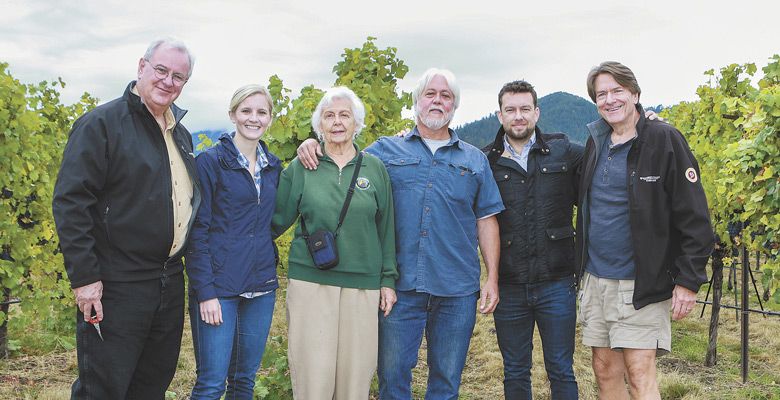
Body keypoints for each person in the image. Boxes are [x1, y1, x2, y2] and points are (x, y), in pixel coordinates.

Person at [297, 68, 504, 399]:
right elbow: (342, 157)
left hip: (457, 288)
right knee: (393, 380)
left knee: (447, 381)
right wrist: (312, 143)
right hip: (398, 287)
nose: (437, 101)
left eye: (446, 95)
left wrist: (491, 278)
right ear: (417, 101)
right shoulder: (385, 151)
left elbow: (486, 219)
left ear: (455, 105)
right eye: (430, 94)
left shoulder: (475, 160)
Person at [52, 38, 200, 399]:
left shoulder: (180, 134)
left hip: (167, 280)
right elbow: (71, 202)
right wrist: (85, 278)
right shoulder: (101, 124)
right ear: (141, 67)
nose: (168, 81)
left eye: (178, 76)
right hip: (117, 283)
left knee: (151, 385)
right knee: (104, 386)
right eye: (161, 70)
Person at [576, 61, 714, 399]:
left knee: (640, 374)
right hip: (596, 280)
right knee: (604, 370)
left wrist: (687, 280)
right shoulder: (597, 142)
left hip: (641, 281)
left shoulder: (664, 139)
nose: (609, 100)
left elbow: (695, 216)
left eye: (617, 91)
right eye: (601, 94)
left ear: (634, 93)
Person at [272, 86, 398, 399]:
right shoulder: (303, 166)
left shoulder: (375, 169)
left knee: (355, 380)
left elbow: (386, 229)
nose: (337, 122)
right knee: (313, 376)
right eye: (329, 115)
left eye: (345, 115)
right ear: (320, 125)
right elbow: (272, 221)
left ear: (357, 123)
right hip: (311, 283)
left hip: (362, 286)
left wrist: (388, 280)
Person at [484, 80, 582, 399]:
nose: (518, 116)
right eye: (510, 110)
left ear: (537, 112)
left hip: (557, 283)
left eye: (525, 109)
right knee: (514, 370)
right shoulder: (486, 161)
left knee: (561, 369)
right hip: (510, 286)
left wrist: (646, 124)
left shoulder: (564, 150)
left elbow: (609, 151)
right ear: (500, 115)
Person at [184, 84, 281, 399]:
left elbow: (266, 222)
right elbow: (198, 230)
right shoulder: (210, 162)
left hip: (261, 287)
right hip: (220, 289)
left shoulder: (273, 166)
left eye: (261, 112)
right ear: (233, 115)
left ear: (269, 118)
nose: (254, 118)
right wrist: (205, 292)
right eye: (246, 111)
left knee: (244, 381)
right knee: (212, 383)